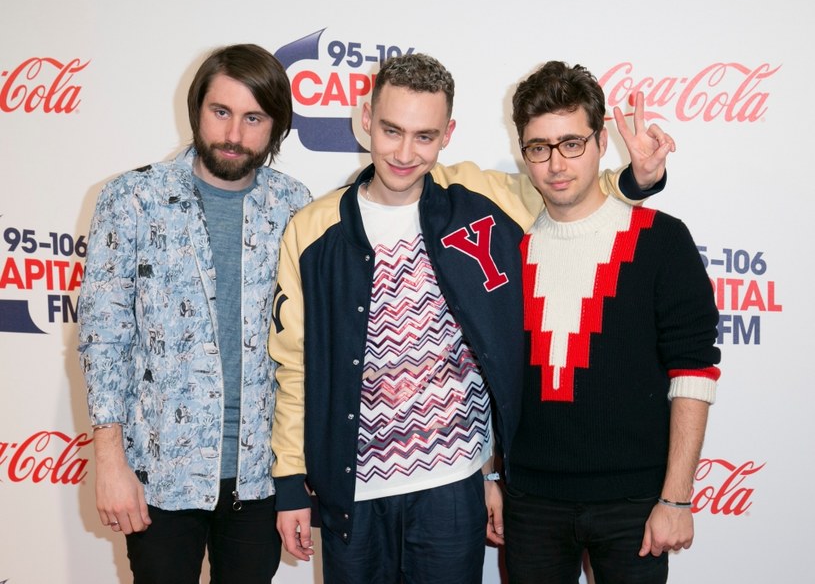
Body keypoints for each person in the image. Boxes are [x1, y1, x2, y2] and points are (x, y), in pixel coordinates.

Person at [268, 53, 673, 584]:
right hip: (354, 492)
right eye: (391, 130)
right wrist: (292, 481)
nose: (405, 152)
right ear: (365, 117)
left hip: (454, 485)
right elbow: (294, 366)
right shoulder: (313, 229)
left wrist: (638, 179)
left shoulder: (481, 196)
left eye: (425, 136)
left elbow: (567, 190)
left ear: (448, 133)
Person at [77, 43, 311, 584]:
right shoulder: (133, 198)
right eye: (221, 112)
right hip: (160, 475)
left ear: (275, 127)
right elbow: (103, 339)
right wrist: (110, 463)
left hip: (259, 478)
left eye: (254, 118)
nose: (234, 134)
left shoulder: (295, 205)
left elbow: (305, 349)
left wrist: (298, 474)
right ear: (197, 111)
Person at [500, 60, 721, 583]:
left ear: (600, 141)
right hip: (531, 502)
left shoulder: (661, 240)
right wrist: (493, 476)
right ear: (523, 152)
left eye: (571, 143)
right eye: (539, 147)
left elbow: (693, 372)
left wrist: (676, 497)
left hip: (636, 505)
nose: (556, 163)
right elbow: (492, 373)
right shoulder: (507, 248)